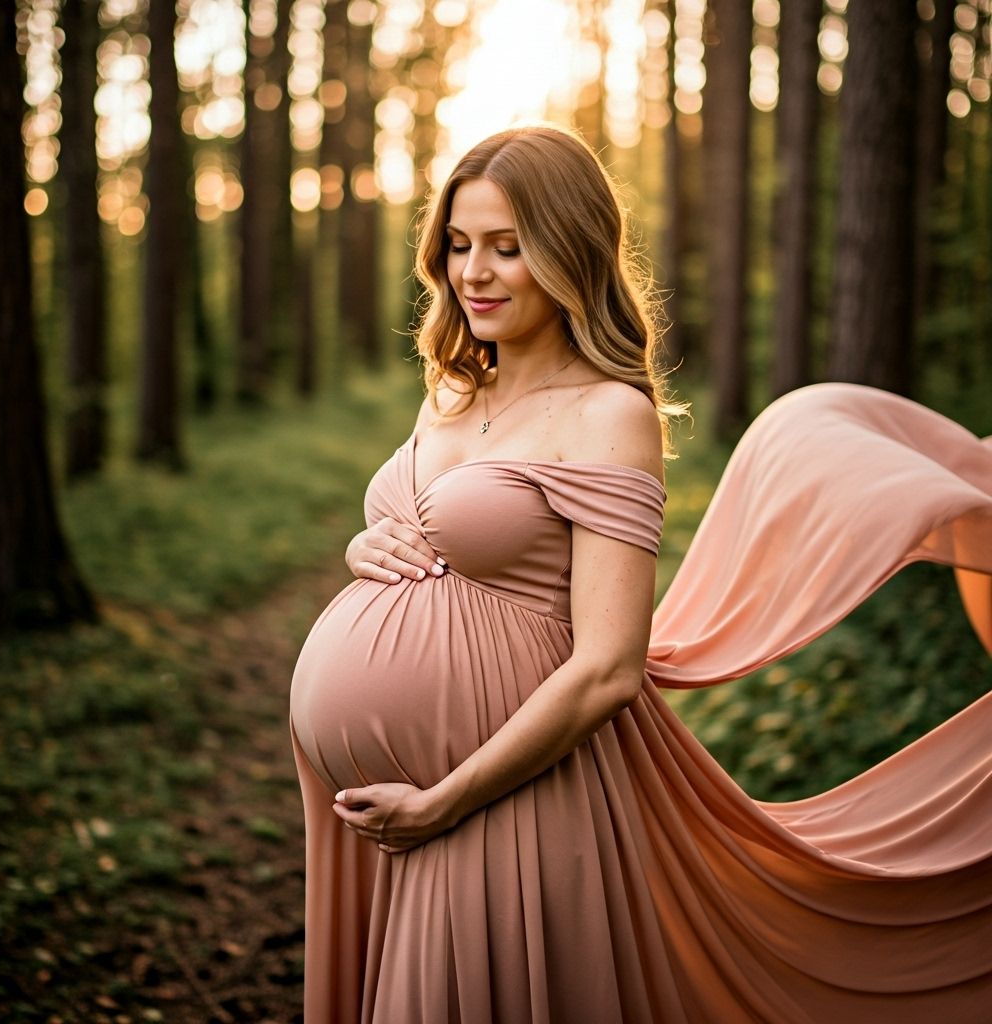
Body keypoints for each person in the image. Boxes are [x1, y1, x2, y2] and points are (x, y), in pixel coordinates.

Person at [290, 125, 992, 1023]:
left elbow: (609, 667)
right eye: (460, 245)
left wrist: (440, 803)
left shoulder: (607, 414)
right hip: (383, 819)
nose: (475, 272)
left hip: (498, 806)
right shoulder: (453, 392)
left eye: (508, 248)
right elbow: (429, 533)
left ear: (571, 253)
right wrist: (365, 548)